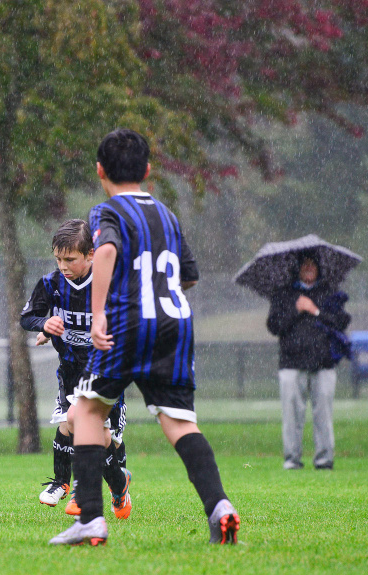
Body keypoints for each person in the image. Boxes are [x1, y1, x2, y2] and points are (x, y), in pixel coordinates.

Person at [50, 128, 240, 546]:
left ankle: (92, 520)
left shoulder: (107, 212)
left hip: (127, 325)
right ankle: (219, 506)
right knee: (178, 422)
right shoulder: (167, 215)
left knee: (84, 413)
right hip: (175, 323)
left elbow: (105, 252)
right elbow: (188, 275)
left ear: (100, 171)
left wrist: (99, 313)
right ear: (148, 170)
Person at [20, 219, 131, 519]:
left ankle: (85, 485)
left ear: (91, 255)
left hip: (105, 370)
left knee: (93, 431)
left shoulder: (108, 283)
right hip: (70, 370)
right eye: (58, 259)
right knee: (71, 424)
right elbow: (27, 317)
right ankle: (99, 485)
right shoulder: (50, 284)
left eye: (70, 259)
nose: (63, 265)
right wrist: (44, 324)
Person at [266, 252, 351, 471]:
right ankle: (292, 459)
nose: (309, 268)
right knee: (292, 415)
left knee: (323, 414)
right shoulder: (284, 294)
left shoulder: (329, 293)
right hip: (291, 364)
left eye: (313, 264)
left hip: (324, 363)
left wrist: (315, 310)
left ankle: (324, 459)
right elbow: (274, 326)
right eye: (305, 265)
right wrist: (296, 309)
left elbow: (340, 322)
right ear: (297, 268)